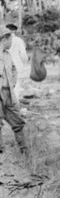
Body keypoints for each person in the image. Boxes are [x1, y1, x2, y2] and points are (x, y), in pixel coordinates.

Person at [0, 25, 25, 153]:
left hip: (8, 92)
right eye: (10, 39)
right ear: (4, 39)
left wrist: (12, 83)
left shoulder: (7, 55)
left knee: (17, 120)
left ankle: (24, 149)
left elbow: (14, 69)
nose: (12, 42)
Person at [6, 24, 28, 103]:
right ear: (14, 30)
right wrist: (24, 64)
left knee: (5, 85)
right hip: (17, 65)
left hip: (5, 66)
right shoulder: (19, 40)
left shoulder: (3, 40)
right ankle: (14, 104)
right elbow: (23, 55)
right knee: (16, 86)